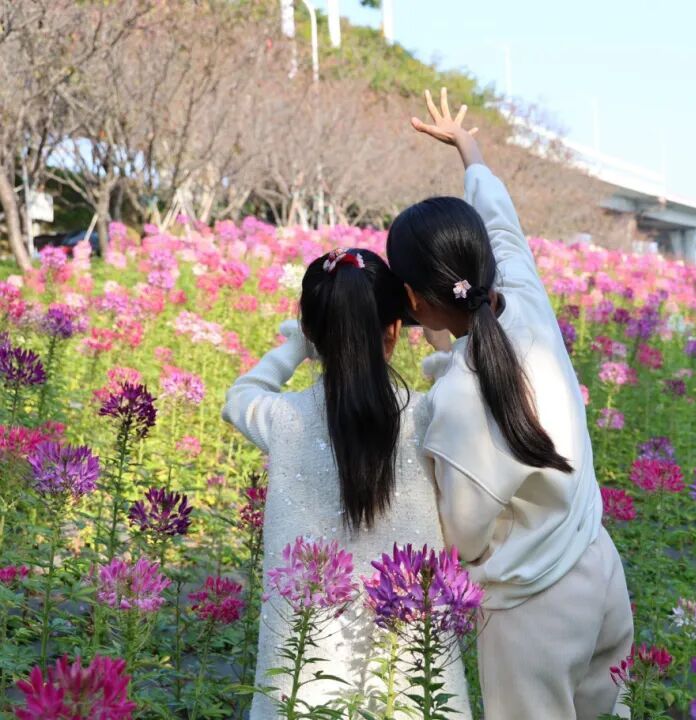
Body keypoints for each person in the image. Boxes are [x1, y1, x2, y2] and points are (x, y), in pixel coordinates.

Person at [386, 88, 634, 720]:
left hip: (535, 610)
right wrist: (469, 149)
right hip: (599, 567)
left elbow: (463, 537)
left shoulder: (457, 398)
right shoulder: (524, 297)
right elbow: (501, 219)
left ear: (413, 302)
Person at [222, 249, 471, 719]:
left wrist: (293, 347)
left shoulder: (282, 417)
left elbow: (239, 398)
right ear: (394, 331)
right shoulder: (429, 415)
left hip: (305, 678)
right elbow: (468, 384)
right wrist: (443, 357)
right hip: (412, 673)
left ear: (313, 334)